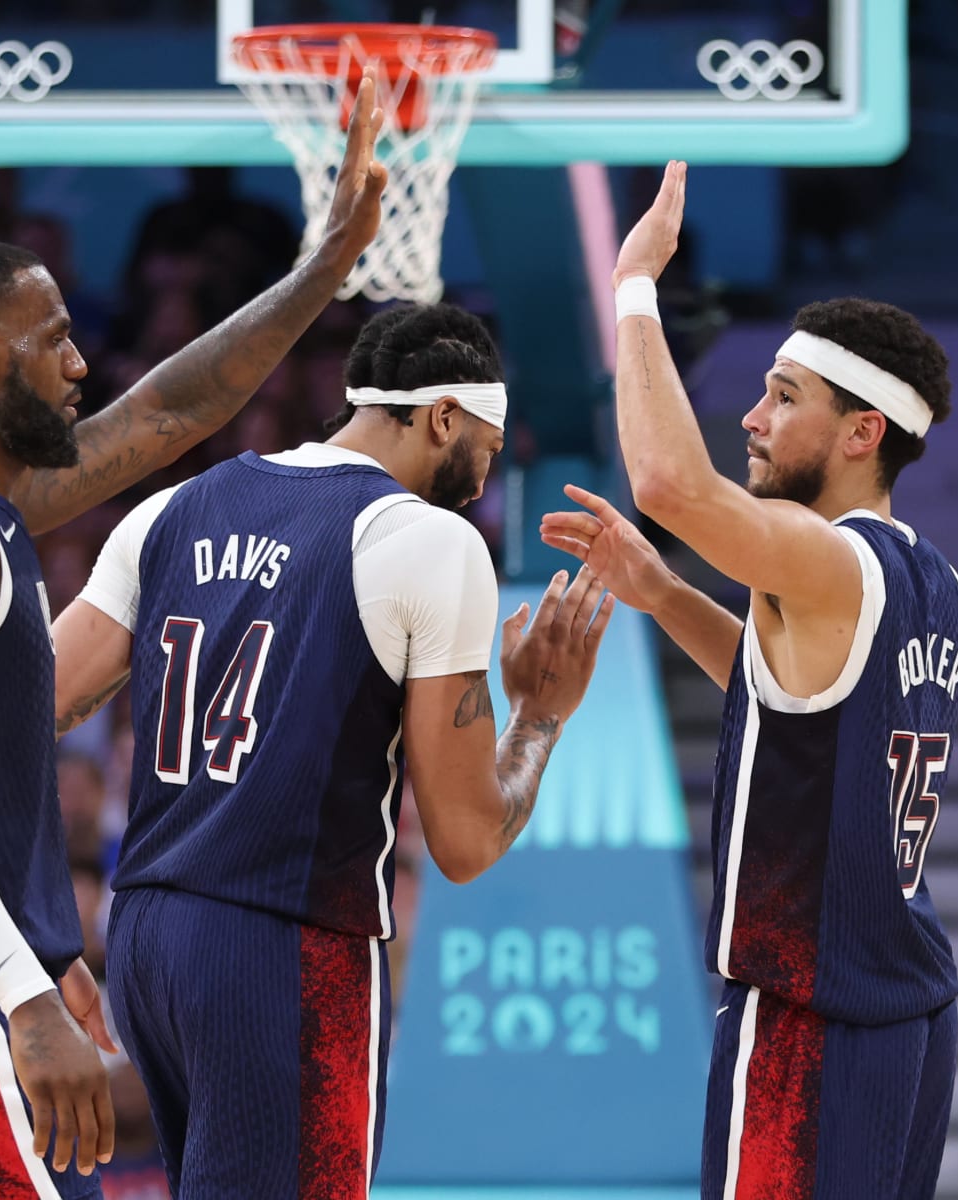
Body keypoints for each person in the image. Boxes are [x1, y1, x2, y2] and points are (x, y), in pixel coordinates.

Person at [0, 76, 391, 1199]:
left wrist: (321, 273)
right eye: (54, 339)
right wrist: (22, 988)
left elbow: (172, 412)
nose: (80, 364)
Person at [48, 301, 613, 1198]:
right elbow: (464, 841)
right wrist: (539, 716)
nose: (482, 476)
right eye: (488, 446)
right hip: (281, 945)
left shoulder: (173, 508)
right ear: (443, 418)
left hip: (147, 935)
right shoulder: (429, 541)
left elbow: (37, 704)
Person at [540, 163, 958, 1199]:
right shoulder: (935, 582)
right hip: (906, 1013)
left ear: (864, 432)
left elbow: (670, 486)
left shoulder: (832, 561)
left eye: (785, 397)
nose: (753, 419)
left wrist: (632, 285)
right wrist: (661, 595)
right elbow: (800, 706)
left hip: (809, 1016)